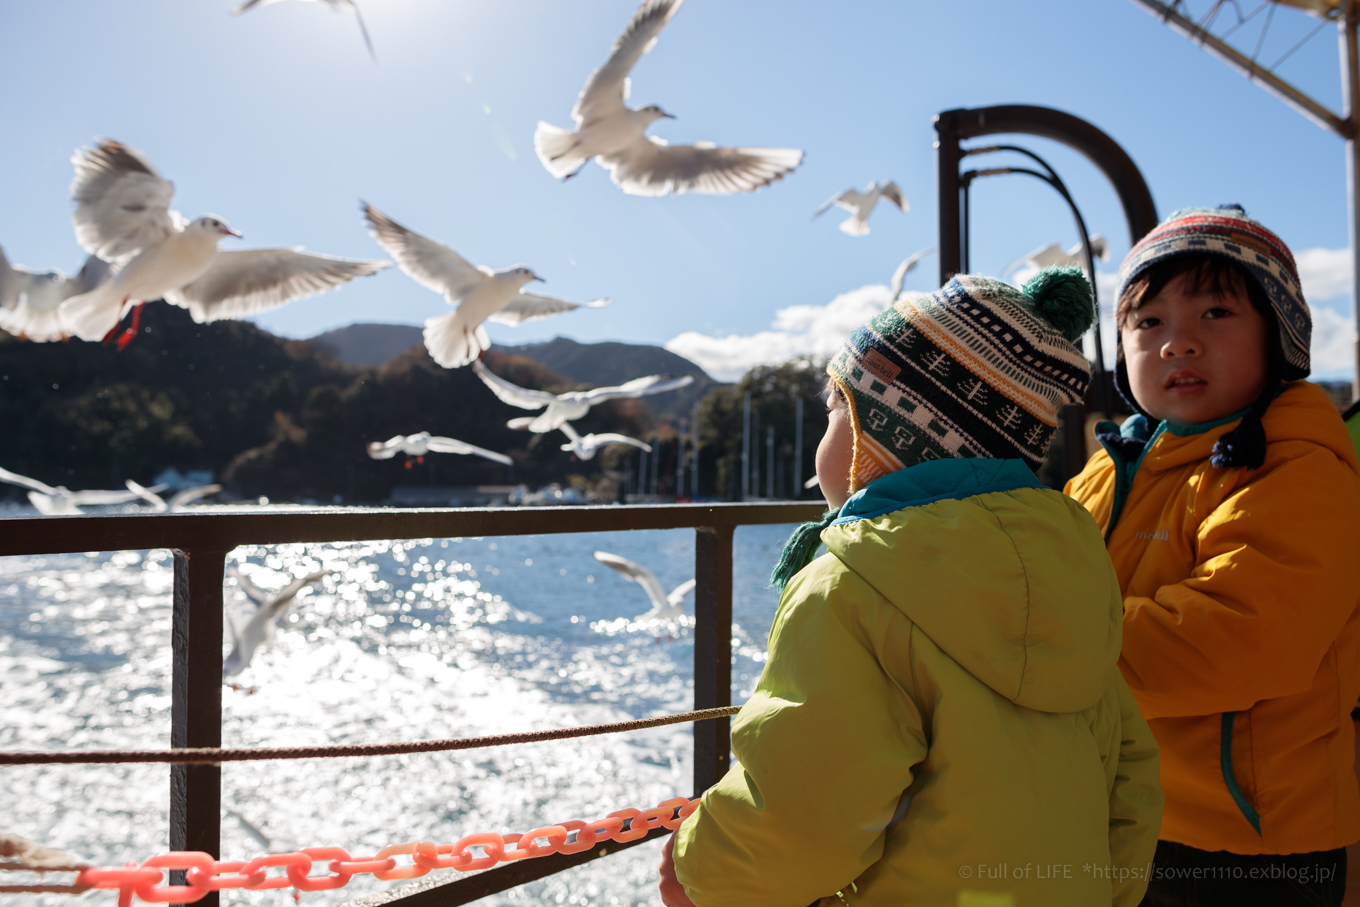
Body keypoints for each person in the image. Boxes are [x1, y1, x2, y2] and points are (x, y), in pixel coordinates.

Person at [659, 268, 1162, 906]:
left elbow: (805, 810)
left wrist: (704, 874)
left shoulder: (854, 583)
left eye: (836, 411)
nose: (824, 438)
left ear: (882, 439)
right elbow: (1131, 781)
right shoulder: (1073, 566)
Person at [1064, 206, 1360, 906]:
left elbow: (1237, 637)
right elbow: (1036, 576)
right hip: (1125, 813)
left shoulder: (1296, 468)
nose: (1177, 344)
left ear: (1279, 337)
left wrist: (1048, 641)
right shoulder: (1105, 470)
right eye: (1149, 323)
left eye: (1216, 313)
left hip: (1254, 845)